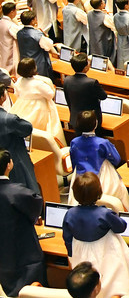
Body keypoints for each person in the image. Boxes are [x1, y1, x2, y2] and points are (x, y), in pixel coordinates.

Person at [63, 173, 129, 298]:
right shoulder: (104, 213)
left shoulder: (69, 214)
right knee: (115, 283)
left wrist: (71, 255)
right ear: (99, 192)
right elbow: (121, 227)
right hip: (106, 251)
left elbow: (67, 237)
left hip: (80, 251)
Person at [0, 148, 45, 296]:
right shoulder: (18, 193)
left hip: (3, 253)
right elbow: (36, 208)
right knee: (30, 291)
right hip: (23, 252)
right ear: (9, 165)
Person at [68, 110, 129, 210]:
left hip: (80, 176)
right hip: (102, 177)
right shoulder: (102, 143)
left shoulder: (74, 142)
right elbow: (116, 159)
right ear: (96, 124)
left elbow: (73, 160)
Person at [11, 58, 63, 144]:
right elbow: (50, 94)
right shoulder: (39, 83)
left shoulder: (19, 80)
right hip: (39, 109)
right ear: (33, 69)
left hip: (22, 106)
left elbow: (16, 94)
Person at [63, 53, 108, 131]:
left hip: (75, 119)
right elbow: (103, 96)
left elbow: (68, 100)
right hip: (91, 121)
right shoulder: (92, 83)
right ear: (85, 67)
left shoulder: (67, 80)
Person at [16, 10, 54, 78]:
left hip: (24, 62)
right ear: (32, 21)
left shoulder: (19, 33)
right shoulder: (37, 34)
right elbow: (48, 46)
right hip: (37, 63)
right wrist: (46, 36)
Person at [0, 3, 19, 74]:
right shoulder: (10, 25)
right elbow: (18, 36)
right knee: (10, 67)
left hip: (2, 47)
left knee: (3, 64)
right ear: (12, 12)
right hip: (10, 48)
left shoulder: (1, 21)